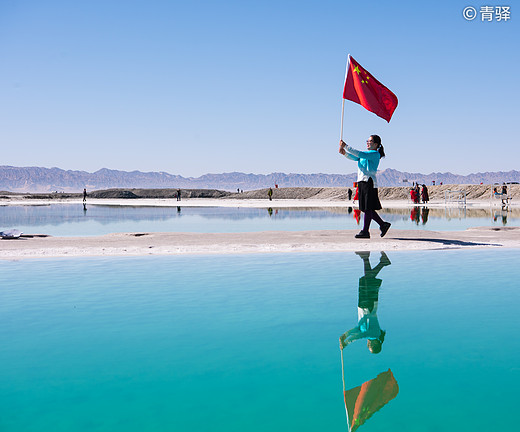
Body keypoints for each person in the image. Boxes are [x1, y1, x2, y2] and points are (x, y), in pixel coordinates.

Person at [339, 135, 391, 239]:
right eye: (367, 140)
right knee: (366, 208)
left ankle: (366, 231)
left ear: (376, 144)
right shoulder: (366, 155)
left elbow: (360, 154)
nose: (367, 142)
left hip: (369, 182)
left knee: (367, 208)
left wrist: (346, 146)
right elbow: (355, 157)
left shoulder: (375, 154)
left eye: (370, 141)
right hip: (362, 182)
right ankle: (382, 225)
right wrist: (344, 153)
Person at [340, 251, 391, 354]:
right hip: (369, 306)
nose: (368, 344)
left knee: (367, 280)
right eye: (370, 346)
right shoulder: (374, 334)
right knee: (367, 280)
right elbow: (361, 335)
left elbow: (357, 329)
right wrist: (346, 342)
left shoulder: (367, 333)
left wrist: (345, 335)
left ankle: (379, 261)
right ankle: (367, 257)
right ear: (375, 344)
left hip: (363, 306)